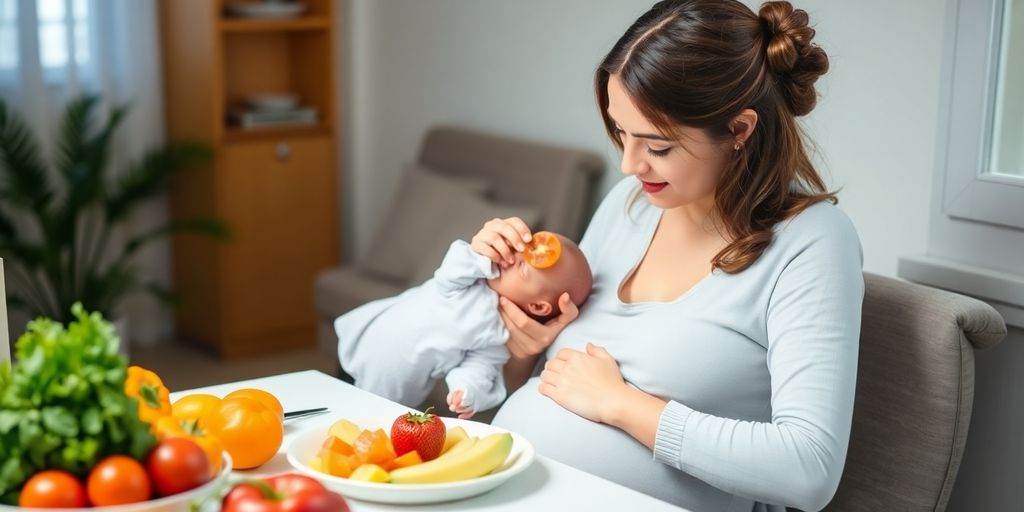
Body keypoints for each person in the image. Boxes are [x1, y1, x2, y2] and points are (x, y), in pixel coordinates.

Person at [480, 1, 864, 511]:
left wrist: (622, 405)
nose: (627, 164)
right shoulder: (632, 204)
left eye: (657, 146)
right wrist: (524, 345)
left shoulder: (812, 241)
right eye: (621, 133)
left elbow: (809, 470)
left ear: (739, 130)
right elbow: (542, 383)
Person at [335, 234, 592, 419]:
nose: (512, 258)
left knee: (359, 418)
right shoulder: (470, 280)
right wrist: (485, 250)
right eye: (519, 251)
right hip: (369, 339)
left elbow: (481, 367)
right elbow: (454, 264)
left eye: (522, 266)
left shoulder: (498, 336)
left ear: (537, 307)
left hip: (395, 382)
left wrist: (466, 392)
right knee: (336, 389)